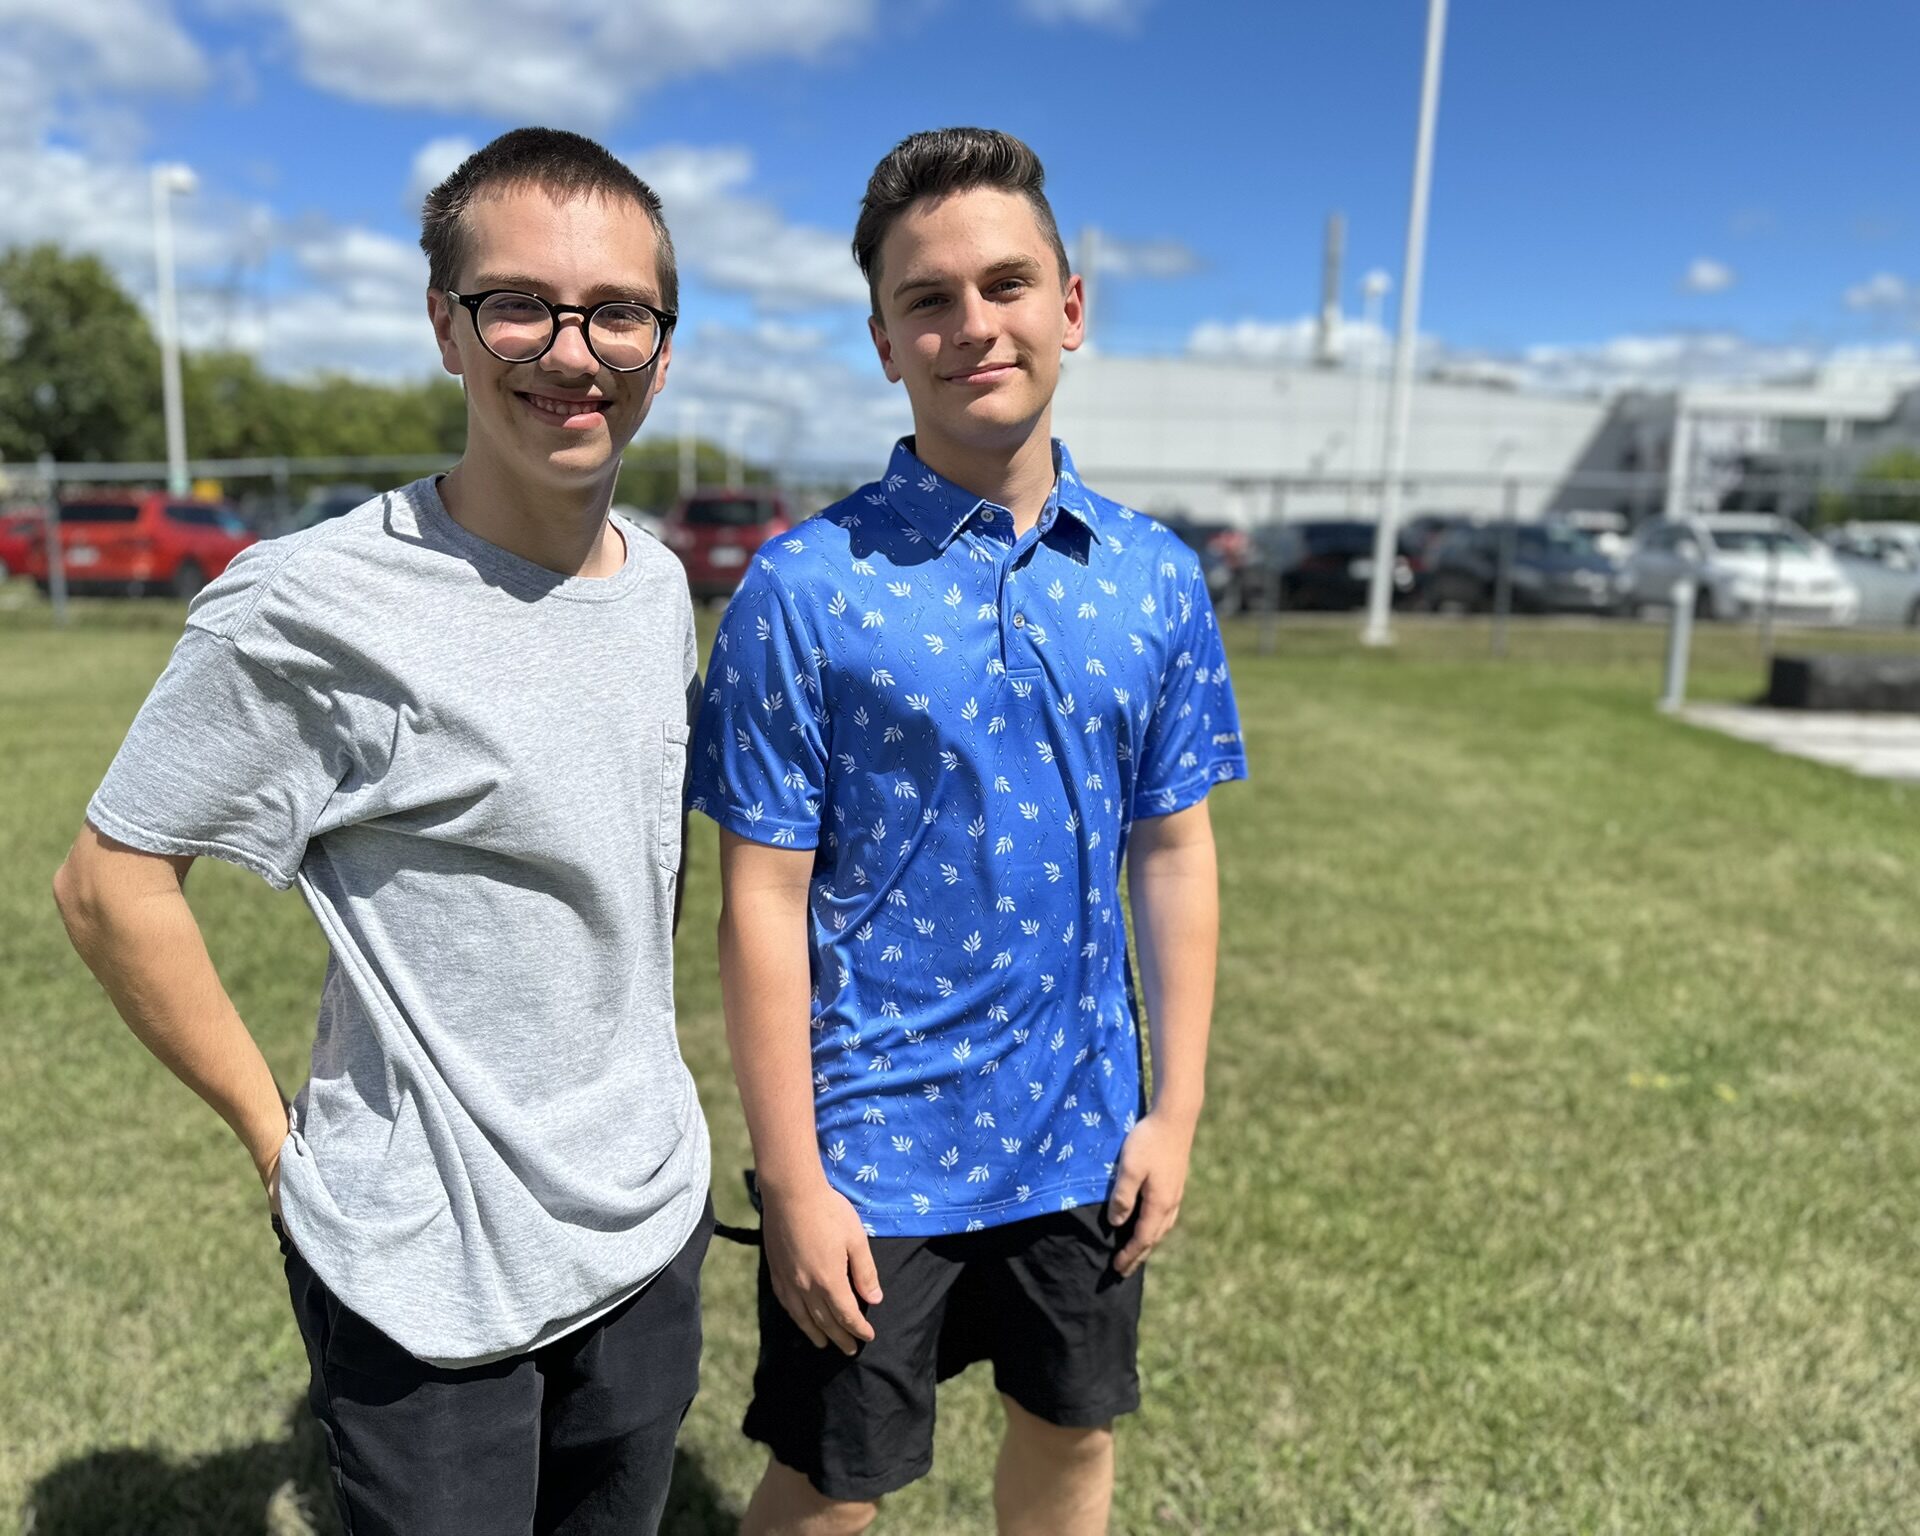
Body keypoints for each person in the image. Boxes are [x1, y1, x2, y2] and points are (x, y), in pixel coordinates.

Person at [52, 127, 712, 1536]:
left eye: (619, 312)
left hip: (649, 1227)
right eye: (520, 304)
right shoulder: (313, 604)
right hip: (423, 1264)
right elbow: (110, 884)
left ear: (664, 340)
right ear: (445, 326)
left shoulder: (659, 588)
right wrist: (273, 1142)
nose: (572, 352)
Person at [689, 127, 1247, 1536]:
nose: (971, 325)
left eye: (1006, 284)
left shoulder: (1155, 582)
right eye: (927, 300)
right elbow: (759, 900)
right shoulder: (802, 592)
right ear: (884, 340)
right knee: (833, 1485)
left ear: (1072, 303)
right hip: (872, 1144)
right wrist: (793, 1177)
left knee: (1071, 1439)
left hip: (1083, 1130)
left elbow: (1172, 855)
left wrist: (1172, 1111)